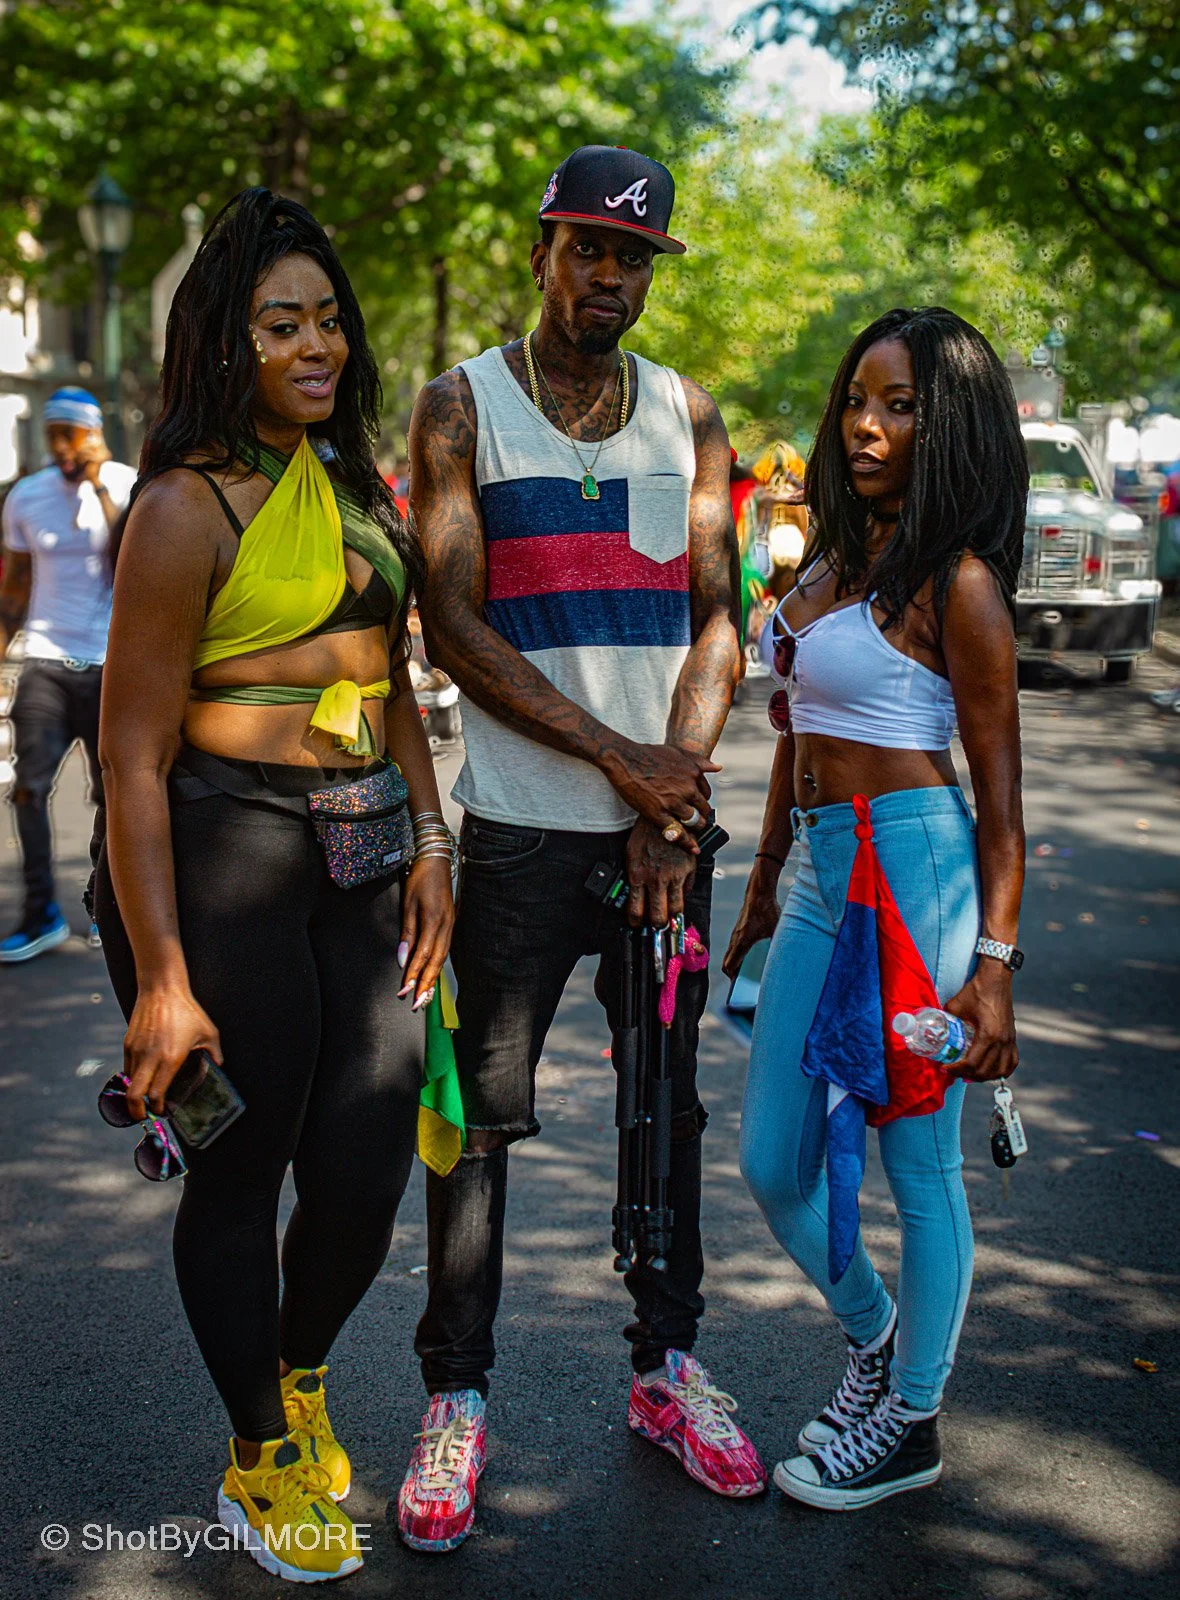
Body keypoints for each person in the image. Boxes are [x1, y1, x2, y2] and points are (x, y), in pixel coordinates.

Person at [400, 143, 765, 1556]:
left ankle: (667, 1370)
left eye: (632, 257)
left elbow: (720, 617)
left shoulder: (693, 415)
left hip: (659, 844)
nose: (608, 275)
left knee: (665, 1111)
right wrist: (631, 771)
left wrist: (670, 808)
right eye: (586, 249)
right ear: (543, 250)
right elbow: (453, 624)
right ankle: (457, 1398)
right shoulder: (462, 407)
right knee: (477, 1124)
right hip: (522, 840)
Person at [93, 189, 453, 1584]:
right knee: (240, 1170)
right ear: (225, 342)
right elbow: (128, 761)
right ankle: (256, 1451)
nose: (317, 343)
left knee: (365, 1171)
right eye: (280, 322)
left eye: (329, 320)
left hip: (363, 849)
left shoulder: (361, 489)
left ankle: (299, 1375)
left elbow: (394, 686)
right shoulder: (185, 507)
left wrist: (434, 849)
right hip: (222, 848)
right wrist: (163, 982)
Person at [724, 306, 1027, 1510]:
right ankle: (880, 1341)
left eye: (899, 404)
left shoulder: (955, 587)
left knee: (914, 1157)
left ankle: (911, 1416)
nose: (864, 423)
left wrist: (993, 965)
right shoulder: (828, 565)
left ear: (945, 426)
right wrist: (754, 885)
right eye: (858, 396)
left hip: (916, 873)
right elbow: (796, 735)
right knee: (771, 1158)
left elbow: (1001, 807)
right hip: (812, 868)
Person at [0, 388, 134, 961]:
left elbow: (124, 558)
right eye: (52, 433)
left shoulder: (128, 487)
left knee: (112, 793)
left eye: (71, 433)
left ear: (95, 433)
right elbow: (16, 586)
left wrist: (99, 483)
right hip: (47, 662)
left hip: (113, 665)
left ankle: (106, 910)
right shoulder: (25, 497)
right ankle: (41, 915)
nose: (60, 446)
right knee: (28, 789)